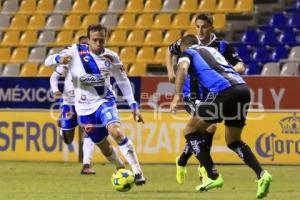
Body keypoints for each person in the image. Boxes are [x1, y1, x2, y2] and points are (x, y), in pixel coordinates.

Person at [170, 34, 272, 199]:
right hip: (243, 90)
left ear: (184, 47)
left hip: (224, 92)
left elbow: (181, 69)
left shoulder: (188, 52)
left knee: (190, 130)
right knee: (233, 141)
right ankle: (262, 174)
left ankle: (212, 176)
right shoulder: (212, 50)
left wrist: (176, 95)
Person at [45, 24, 146, 185]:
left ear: (105, 39)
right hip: (84, 110)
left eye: (101, 40)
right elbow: (47, 61)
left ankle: (137, 172)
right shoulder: (75, 51)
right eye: (95, 40)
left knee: (116, 132)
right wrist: (59, 59)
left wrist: (133, 104)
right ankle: (121, 168)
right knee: (105, 147)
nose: (98, 43)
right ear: (89, 40)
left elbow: (122, 80)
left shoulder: (111, 57)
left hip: (105, 102)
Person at [166, 13, 245, 185]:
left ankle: (182, 160)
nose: (200, 30)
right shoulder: (188, 42)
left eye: (204, 26)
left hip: (213, 92)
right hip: (191, 94)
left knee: (204, 129)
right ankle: (204, 167)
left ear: (212, 27)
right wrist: (171, 73)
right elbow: (170, 50)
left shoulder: (222, 46)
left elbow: (241, 65)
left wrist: (227, 73)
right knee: (210, 126)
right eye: (198, 26)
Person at [50, 35, 97, 175]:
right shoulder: (71, 59)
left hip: (87, 101)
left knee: (90, 131)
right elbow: (54, 76)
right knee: (68, 140)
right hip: (69, 102)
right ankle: (63, 124)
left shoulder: (96, 60)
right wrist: (56, 90)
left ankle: (86, 164)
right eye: (82, 45)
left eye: (86, 44)